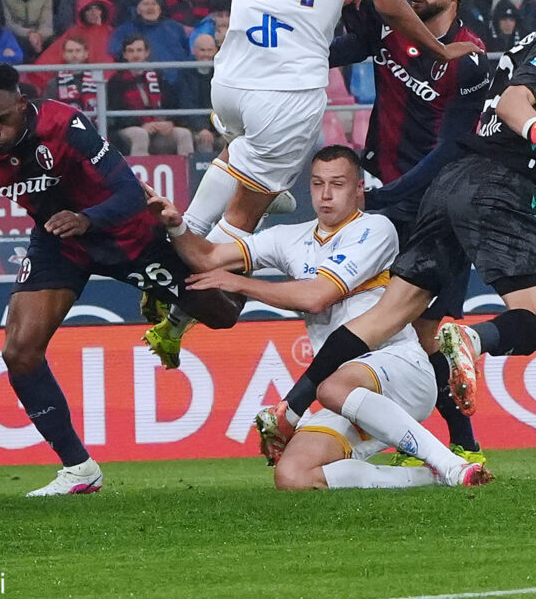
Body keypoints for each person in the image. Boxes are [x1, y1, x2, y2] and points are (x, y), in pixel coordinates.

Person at [249, 0, 536, 463]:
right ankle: (471, 340)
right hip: (502, 188)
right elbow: (515, 103)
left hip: (452, 184)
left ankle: (287, 410)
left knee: (388, 315)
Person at [154, 0, 480, 361]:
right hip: (288, 89)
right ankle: (174, 288)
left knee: (243, 159)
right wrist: (440, 47)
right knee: (240, 221)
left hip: (231, 78)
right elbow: (387, 3)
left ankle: (195, 229)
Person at [0, 62, 242, 496]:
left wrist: (88, 218)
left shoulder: (65, 124)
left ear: (21, 105)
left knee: (222, 316)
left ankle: (223, 246)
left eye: (1, 120)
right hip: (59, 241)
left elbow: (128, 193)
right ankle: (79, 469)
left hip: (127, 236)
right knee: (19, 352)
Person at [147, 145, 482, 489]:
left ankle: (451, 464)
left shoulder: (375, 229)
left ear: (358, 189)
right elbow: (207, 258)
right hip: (344, 391)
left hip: (400, 368)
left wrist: (240, 283)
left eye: (337, 184)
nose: (326, 195)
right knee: (293, 476)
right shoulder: (288, 238)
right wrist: (176, 226)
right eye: (318, 183)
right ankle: (432, 477)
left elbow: (317, 297)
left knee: (332, 387)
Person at [326, 0, 492, 460]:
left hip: (438, 206)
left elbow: (450, 152)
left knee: (424, 338)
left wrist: (385, 196)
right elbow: (343, 51)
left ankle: (461, 442)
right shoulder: (388, 25)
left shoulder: (469, 57)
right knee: (368, 322)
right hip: (385, 195)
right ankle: (422, 439)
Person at [107, 33, 193, 156]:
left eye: (139, 50)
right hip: (130, 129)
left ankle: (188, 169)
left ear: (147, 53)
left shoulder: (158, 75)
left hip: (159, 127)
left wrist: (170, 121)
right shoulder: (117, 80)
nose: (135, 55)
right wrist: (141, 124)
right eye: (131, 51)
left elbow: (173, 103)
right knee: (140, 134)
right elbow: (116, 113)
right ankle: (137, 169)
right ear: (125, 55)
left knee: (184, 134)